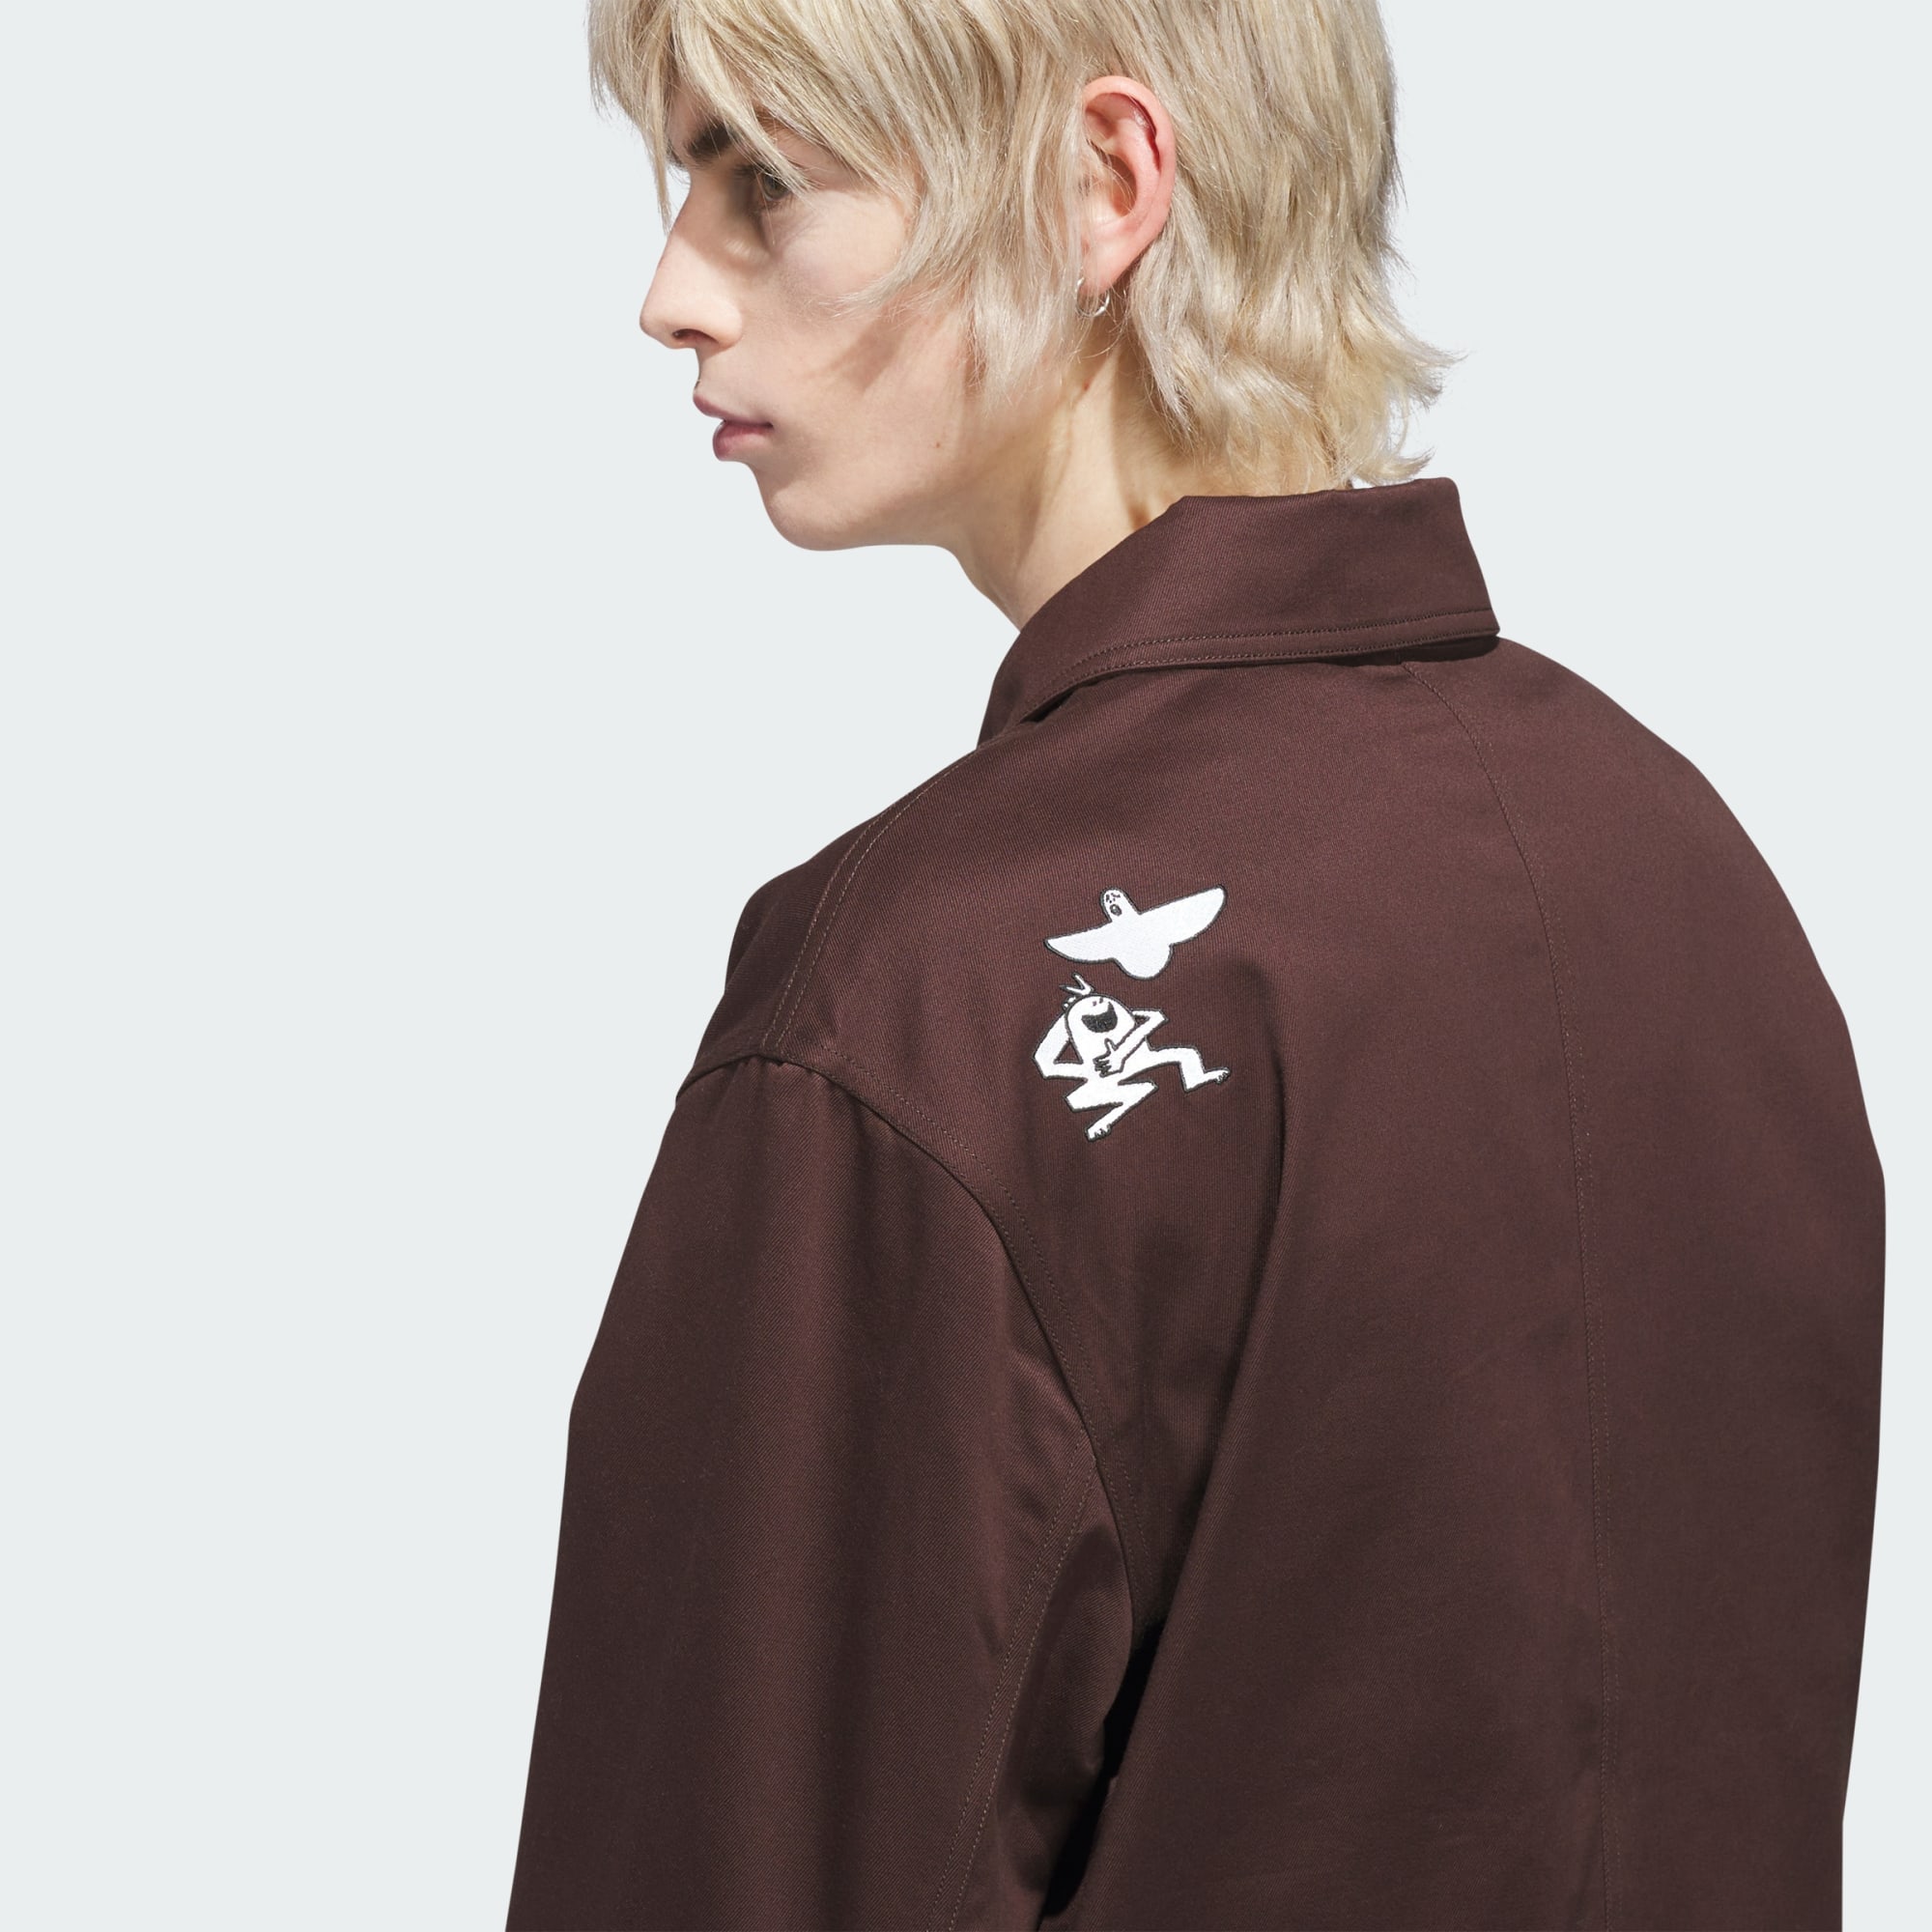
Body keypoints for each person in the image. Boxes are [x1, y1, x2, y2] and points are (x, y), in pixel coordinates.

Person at [504, 3, 1886, 1927]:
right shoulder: (1685, 871)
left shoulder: (922, 991)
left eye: (768, 180)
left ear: (1101, 184)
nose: (673, 290)